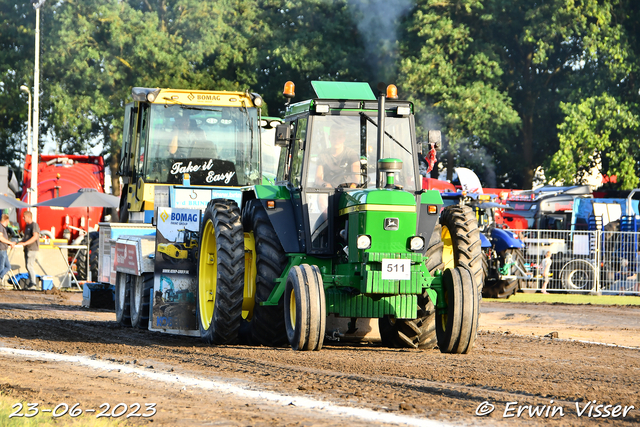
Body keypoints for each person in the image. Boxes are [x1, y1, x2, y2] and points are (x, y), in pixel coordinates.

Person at [16, 211, 40, 290]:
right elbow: (26, 237)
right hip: (27, 248)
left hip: (32, 248)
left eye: (24, 217)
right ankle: (31, 283)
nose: (23, 218)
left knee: (30, 266)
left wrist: (25, 243)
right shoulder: (27, 226)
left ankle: (33, 283)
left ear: (29, 217)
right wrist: (20, 242)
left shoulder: (34, 225)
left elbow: (35, 237)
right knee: (27, 266)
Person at [0, 214, 16, 287]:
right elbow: (1, 238)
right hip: (2, 250)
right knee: (2, 267)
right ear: (6, 220)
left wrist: (10, 244)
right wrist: (10, 242)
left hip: (4, 249)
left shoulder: (3, 227)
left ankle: (1, 277)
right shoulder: (0, 227)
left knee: (8, 267)